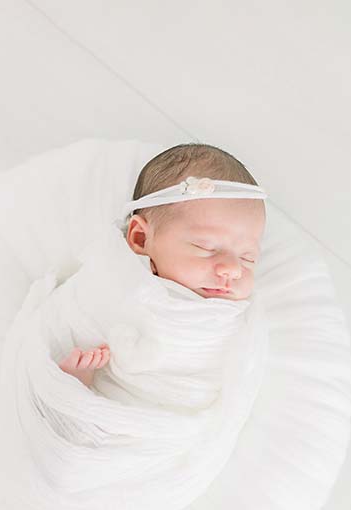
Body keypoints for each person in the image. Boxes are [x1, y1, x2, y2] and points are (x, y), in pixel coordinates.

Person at [59, 142, 266, 387]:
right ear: (141, 238)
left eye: (247, 258)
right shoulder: (116, 277)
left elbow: (237, 368)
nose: (233, 269)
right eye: (206, 248)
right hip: (111, 389)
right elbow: (79, 314)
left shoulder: (234, 318)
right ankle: (74, 385)